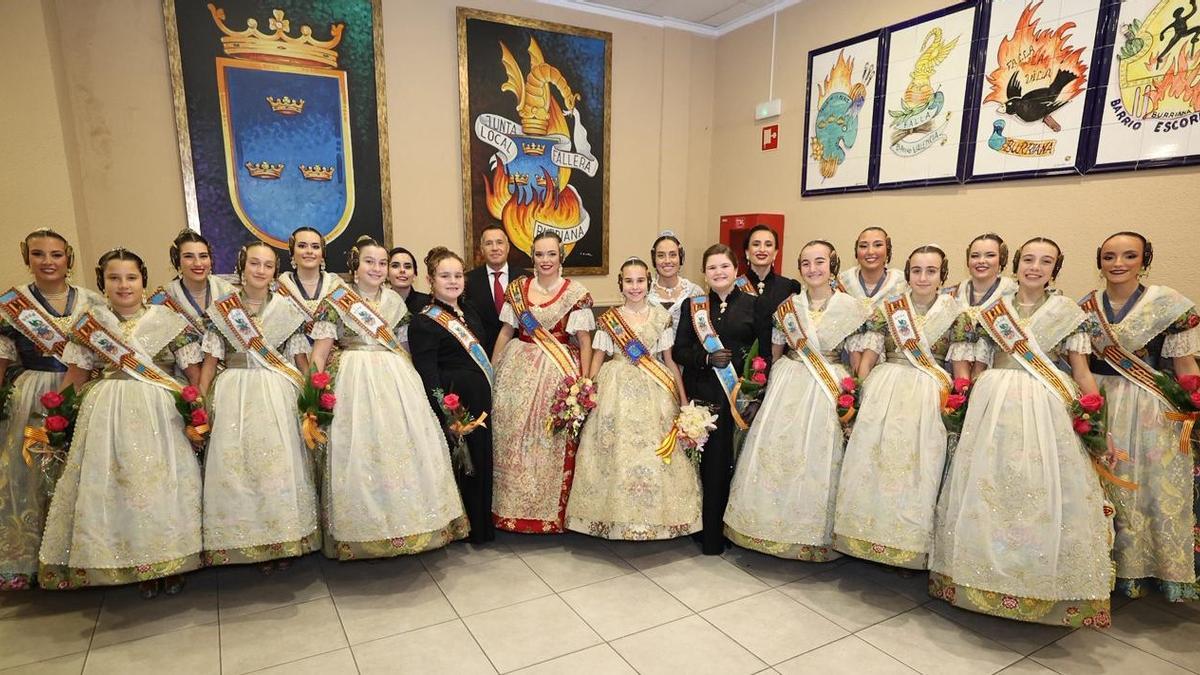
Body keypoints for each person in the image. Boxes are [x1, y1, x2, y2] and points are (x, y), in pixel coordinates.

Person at [930, 237, 1114, 626]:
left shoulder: (1067, 314)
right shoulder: (991, 312)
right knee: (988, 485)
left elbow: (1081, 371)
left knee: (1036, 488)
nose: (1035, 267)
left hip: (1046, 408)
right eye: (1028, 259)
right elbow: (975, 366)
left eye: (1045, 261)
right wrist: (965, 402)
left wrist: (1098, 420)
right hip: (993, 404)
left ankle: (1035, 581)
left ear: (1055, 269)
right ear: (1016, 265)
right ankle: (977, 579)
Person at [39, 249, 205, 598]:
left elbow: (193, 375)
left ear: (143, 281)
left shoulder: (167, 321)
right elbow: (75, 377)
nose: (124, 285)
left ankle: (172, 561)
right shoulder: (91, 324)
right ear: (103, 283)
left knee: (162, 488)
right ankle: (133, 563)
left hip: (160, 414)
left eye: (131, 277)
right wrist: (56, 418)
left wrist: (198, 412)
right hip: (107, 415)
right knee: (120, 488)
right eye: (114, 278)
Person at [310, 236, 468, 559]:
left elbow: (404, 346)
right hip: (353, 381)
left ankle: (410, 524)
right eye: (370, 262)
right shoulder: (336, 300)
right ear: (355, 266)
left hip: (396, 381)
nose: (377, 268)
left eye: (382, 263)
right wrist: (312, 393)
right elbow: (320, 353)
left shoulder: (394, 301)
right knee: (360, 451)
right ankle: (364, 532)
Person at [724, 241, 870, 560]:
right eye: (806, 263)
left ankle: (811, 536)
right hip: (788, 382)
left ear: (832, 265)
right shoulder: (789, 307)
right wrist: (764, 387)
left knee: (816, 457)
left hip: (827, 386)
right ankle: (765, 528)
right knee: (777, 453)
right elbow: (775, 352)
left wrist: (855, 394)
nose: (812, 269)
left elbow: (858, 359)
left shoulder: (852, 308)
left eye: (819, 262)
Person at [1081, 231, 1200, 602]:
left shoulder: (1167, 305)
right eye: (1109, 256)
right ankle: (1102, 566)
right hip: (1098, 398)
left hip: (1148, 405)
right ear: (1099, 262)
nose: (1118, 264)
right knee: (1101, 483)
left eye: (1129, 256)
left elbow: (1184, 364)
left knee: (1147, 485)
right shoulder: (1085, 308)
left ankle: (1143, 569)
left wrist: (1193, 403)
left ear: (1144, 260)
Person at [833, 245, 960, 568]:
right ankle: (867, 537)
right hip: (885, 391)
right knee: (875, 463)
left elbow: (961, 369)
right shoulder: (889, 309)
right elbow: (870, 355)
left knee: (916, 469)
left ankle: (907, 547)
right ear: (908, 274)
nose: (923, 277)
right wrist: (857, 393)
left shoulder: (956, 314)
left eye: (931, 271)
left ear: (943, 276)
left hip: (928, 395)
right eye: (916, 270)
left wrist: (959, 403)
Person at [197, 242, 319, 571]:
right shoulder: (222, 311)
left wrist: (313, 396)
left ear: (275, 272)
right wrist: (199, 401)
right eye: (254, 263)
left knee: (278, 468)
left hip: (277, 394)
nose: (260, 270)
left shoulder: (286, 310)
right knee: (240, 469)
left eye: (267, 265)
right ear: (242, 267)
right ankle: (249, 541)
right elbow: (210, 362)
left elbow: (301, 360)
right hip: (234, 393)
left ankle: (283, 538)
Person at [566, 257, 701, 540]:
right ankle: (613, 518)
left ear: (648, 283)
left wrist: (683, 401)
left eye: (640, 281)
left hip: (655, 389)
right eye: (629, 281)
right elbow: (598, 358)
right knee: (613, 452)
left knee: (656, 453)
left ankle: (656, 520)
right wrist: (586, 390)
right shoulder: (610, 320)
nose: (635, 286)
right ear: (621, 284)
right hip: (615, 388)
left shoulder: (661, 318)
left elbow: (669, 361)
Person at [0, 229, 102, 590]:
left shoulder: (91, 301)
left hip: (83, 390)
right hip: (34, 395)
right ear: (26, 257)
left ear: (68, 258)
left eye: (56, 254)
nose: (48, 261)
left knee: (81, 472)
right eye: (39, 254)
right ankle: (30, 561)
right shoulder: (11, 306)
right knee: (30, 473)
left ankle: (84, 556)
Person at [491, 231, 594, 533]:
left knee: (549, 442)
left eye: (551, 254)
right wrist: (492, 370)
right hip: (517, 370)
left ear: (561, 256)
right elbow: (506, 332)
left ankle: (549, 514)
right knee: (513, 438)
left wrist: (585, 382)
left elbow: (584, 341)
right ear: (532, 257)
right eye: (539, 254)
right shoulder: (518, 289)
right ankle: (510, 510)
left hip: (558, 374)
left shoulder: (575, 293)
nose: (545, 260)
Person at [673, 244, 756, 555]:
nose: (718, 272)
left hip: (738, 396)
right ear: (704, 273)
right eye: (712, 268)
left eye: (724, 266)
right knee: (706, 466)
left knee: (730, 464)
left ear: (736, 269)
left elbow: (762, 352)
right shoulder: (692, 306)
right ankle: (706, 533)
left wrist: (754, 389)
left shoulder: (753, 305)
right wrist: (706, 359)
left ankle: (727, 530)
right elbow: (679, 350)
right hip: (703, 395)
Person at [410, 247, 496, 544]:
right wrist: (445, 412)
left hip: (480, 396)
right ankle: (467, 529)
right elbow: (428, 373)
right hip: (454, 402)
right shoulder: (423, 321)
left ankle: (483, 525)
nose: (453, 281)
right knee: (464, 463)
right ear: (430, 280)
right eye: (445, 276)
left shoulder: (470, 311)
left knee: (482, 459)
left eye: (458, 275)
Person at [945, 233, 1018, 376]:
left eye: (990, 255)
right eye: (975, 256)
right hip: (953, 375)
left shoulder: (1013, 294)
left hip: (998, 375)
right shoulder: (952, 294)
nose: (981, 261)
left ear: (1002, 259)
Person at [838, 227, 908, 372]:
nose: (870, 251)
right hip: (845, 361)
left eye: (878, 245)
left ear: (888, 250)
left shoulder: (902, 284)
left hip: (889, 367)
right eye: (863, 246)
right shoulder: (842, 282)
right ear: (856, 251)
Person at [735, 224, 802, 369]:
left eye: (768, 244)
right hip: (740, 367)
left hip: (779, 365)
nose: (762, 249)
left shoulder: (789, 287)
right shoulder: (733, 287)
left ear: (776, 252)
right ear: (747, 252)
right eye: (756, 244)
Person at [152, 230, 235, 336]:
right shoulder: (163, 297)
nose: (198, 263)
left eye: (203, 256)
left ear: (210, 260)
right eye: (188, 256)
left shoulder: (226, 290)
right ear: (178, 261)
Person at [277, 227, 340, 332]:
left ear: (322, 253)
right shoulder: (280, 287)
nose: (309, 251)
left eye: (315, 247)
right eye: (302, 246)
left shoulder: (335, 285)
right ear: (292, 252)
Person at [463, 224, 512, 355]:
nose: (495, 248)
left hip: (518, 352)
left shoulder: (524, 278)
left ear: (508, 247)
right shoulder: (467, 281)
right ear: (482, 249)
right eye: (488, 243)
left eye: (499, 242)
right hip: (482, 353)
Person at [647, 231, 703, 327]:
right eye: (661, 255)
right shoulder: (644, 292)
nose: (667, 261)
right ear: (654, 259)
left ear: (681, 258)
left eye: (673, 255)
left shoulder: (695, 293)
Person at [388, 246, 432, 316]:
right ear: (387, 274)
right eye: (395, 266)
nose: (402, 270)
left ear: (414, 275)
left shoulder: (429, 303)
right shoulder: (378, 304)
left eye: (407, 267)